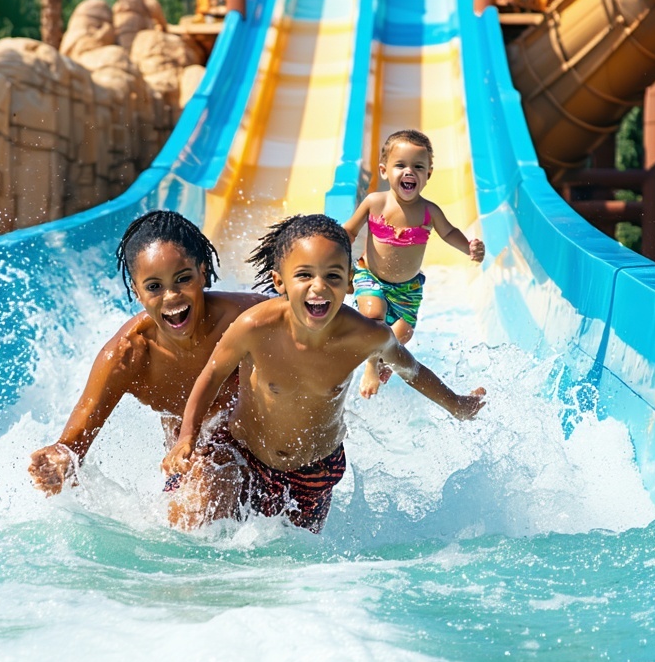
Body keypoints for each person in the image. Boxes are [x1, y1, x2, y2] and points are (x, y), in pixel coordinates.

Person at [161, 213, 485, 533]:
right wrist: (187, 435)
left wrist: (456, 403)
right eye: (304, 275)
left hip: (314, 470)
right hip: (246, 454)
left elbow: (412, 370)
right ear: (280, 282)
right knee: (203, 527)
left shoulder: (366, 336)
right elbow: (212, 374)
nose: (318, 287)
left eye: (332, 276)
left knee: (298, 559)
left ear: (349, 282)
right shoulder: (255, 327)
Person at [28, 209, 264, 497]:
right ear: (136, 292)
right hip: (196, 475)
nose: (171, 296)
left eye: (183, 279)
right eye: (154, 287)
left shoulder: (246, 320)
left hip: (276, 465)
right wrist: (58, 461)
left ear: (203, 272)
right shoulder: (127, 355)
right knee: (205, 478)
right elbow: (73, 446)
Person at [342, 129, 486, 398]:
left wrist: (468, 247)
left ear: (428, 175)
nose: (409, 172)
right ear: (384, 171)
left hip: (408, 289)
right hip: (371, 277)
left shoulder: (428, 211)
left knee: (402, 335)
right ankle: (372, 365)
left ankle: (385, 360)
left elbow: (449, 232)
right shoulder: (375, 202)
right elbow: (348, 231)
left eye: (418, 167)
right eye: (401, 165)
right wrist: (335, 254)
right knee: (374, 316)